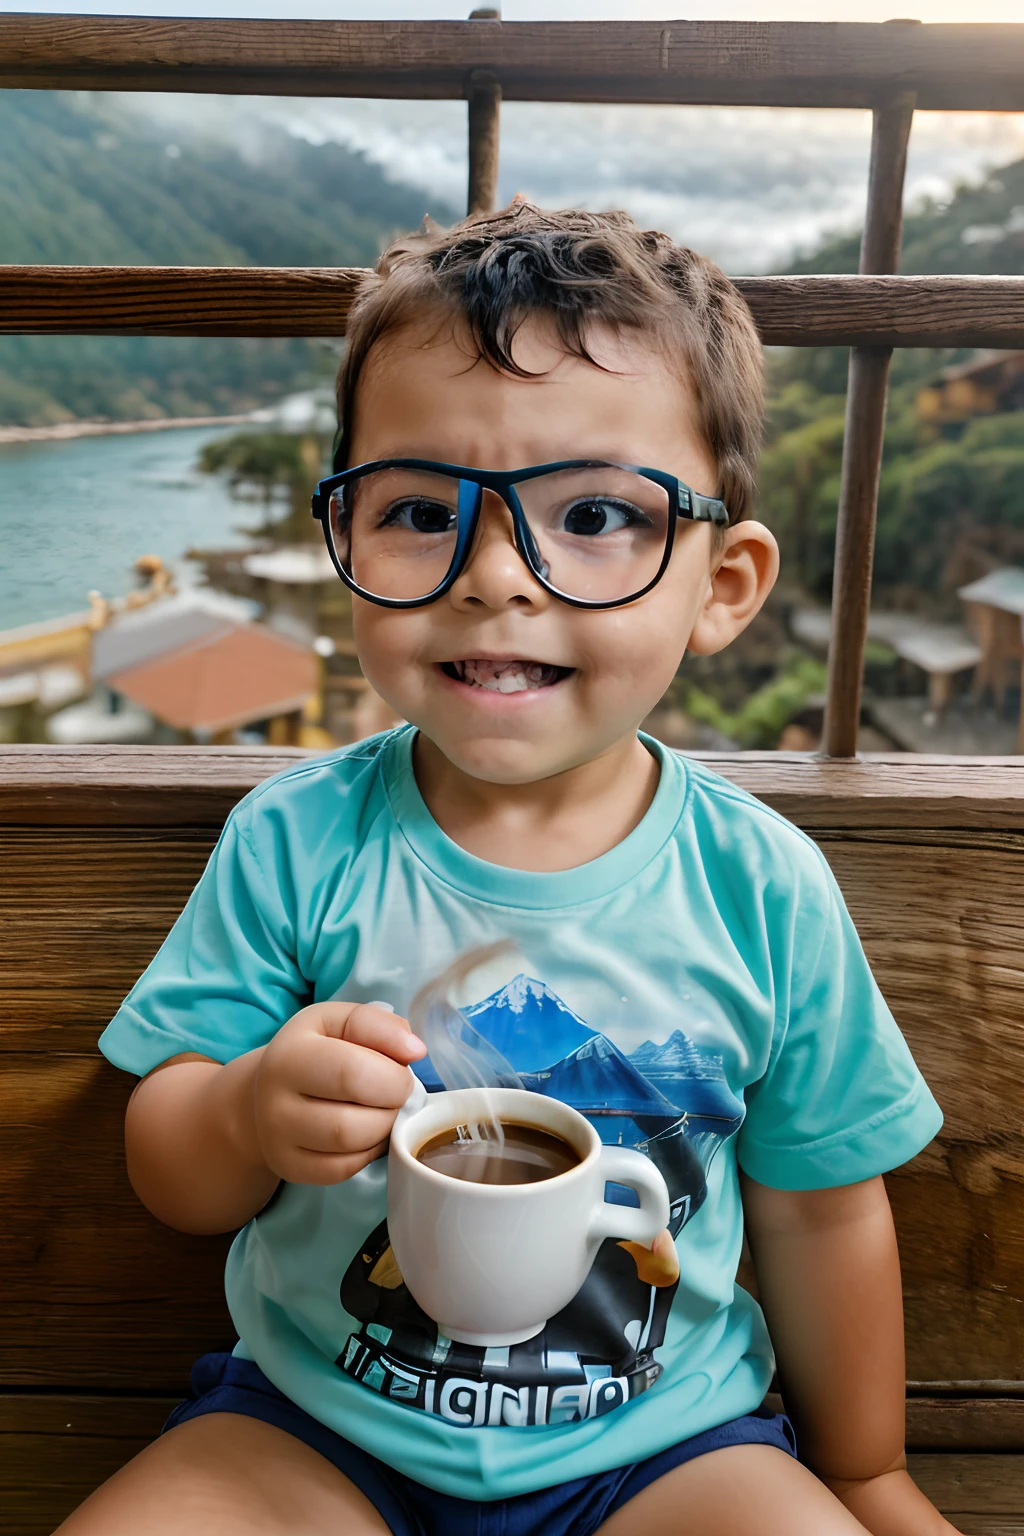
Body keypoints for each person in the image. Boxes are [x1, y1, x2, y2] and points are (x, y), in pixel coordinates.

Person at [59, 202, 953, 1536]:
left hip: (671, 1449)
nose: (493, 576)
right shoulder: (298, 838)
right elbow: (173, 1173)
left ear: (723, 584)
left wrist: (866, 1470)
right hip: (310, 1430)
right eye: (423, 510)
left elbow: (823, 1213)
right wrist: (247, 1112)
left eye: (592, 513)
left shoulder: (762, 886)